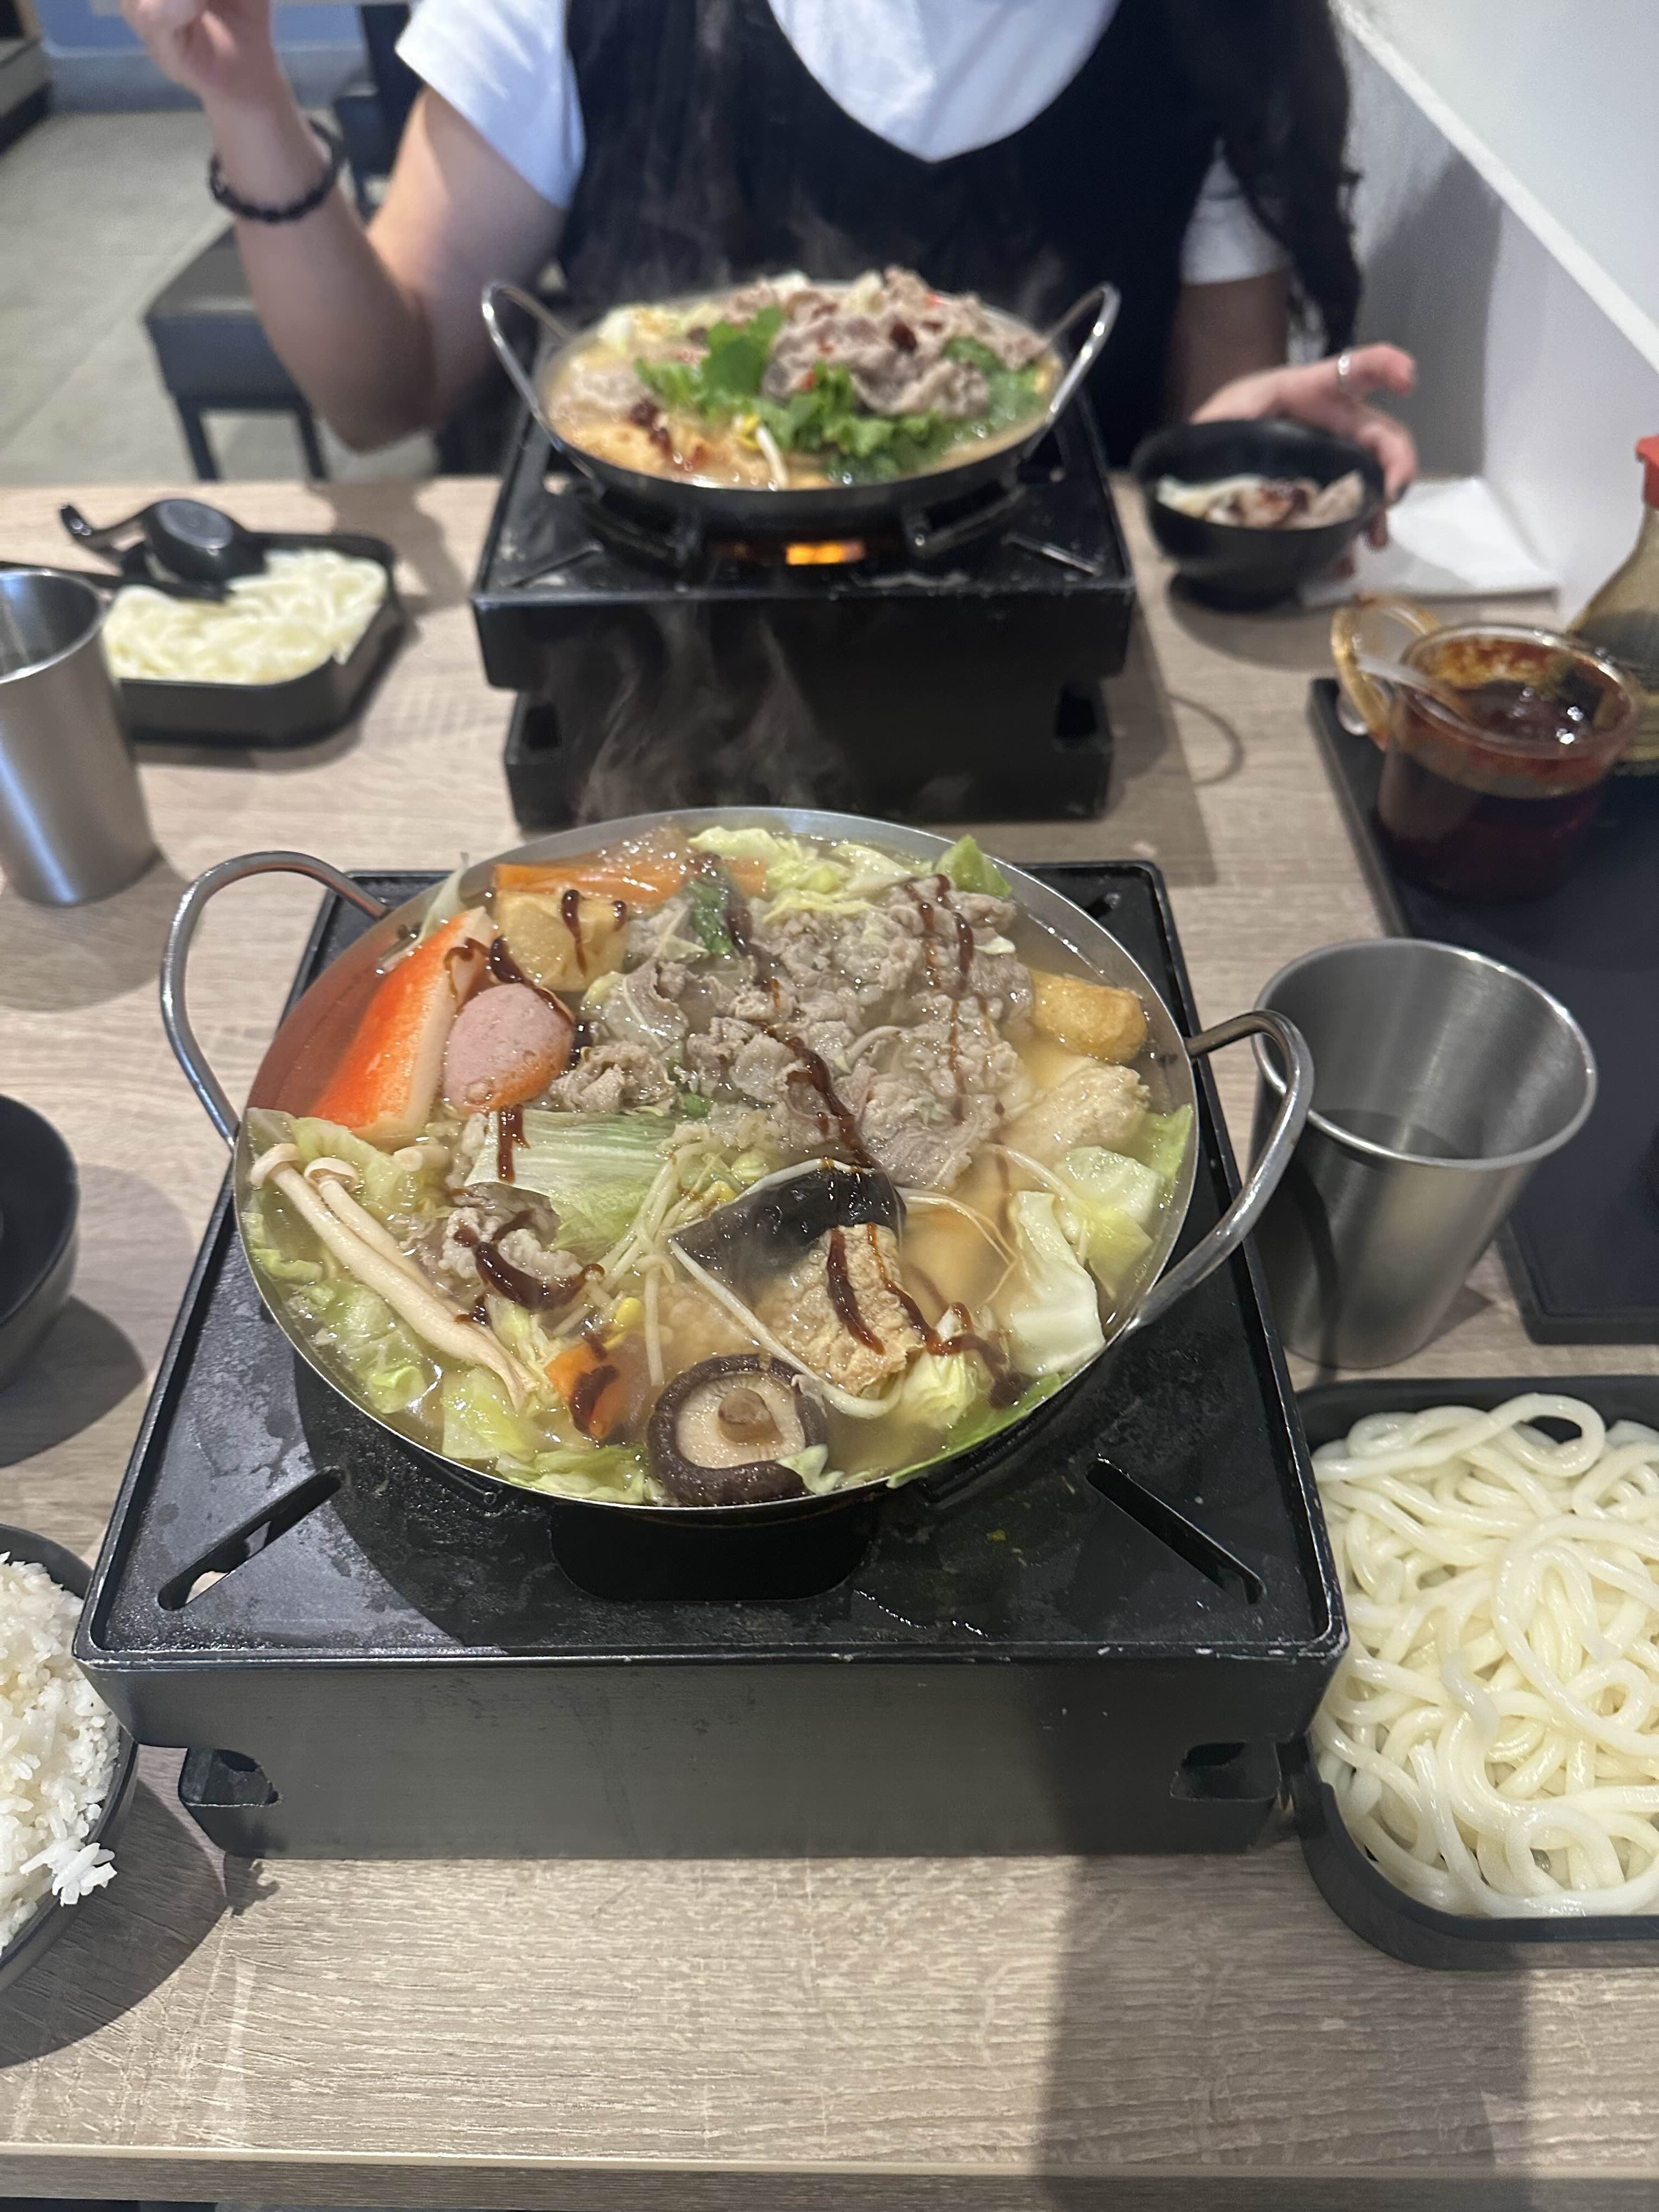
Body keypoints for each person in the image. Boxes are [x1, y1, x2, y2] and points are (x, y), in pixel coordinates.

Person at [123, 0, 1416, 526]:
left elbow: (1202, 418)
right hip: (653, 621)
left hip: (1028, 638)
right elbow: (383, 387)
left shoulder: (1228, 30)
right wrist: (248, 106)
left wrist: (1239, 463)